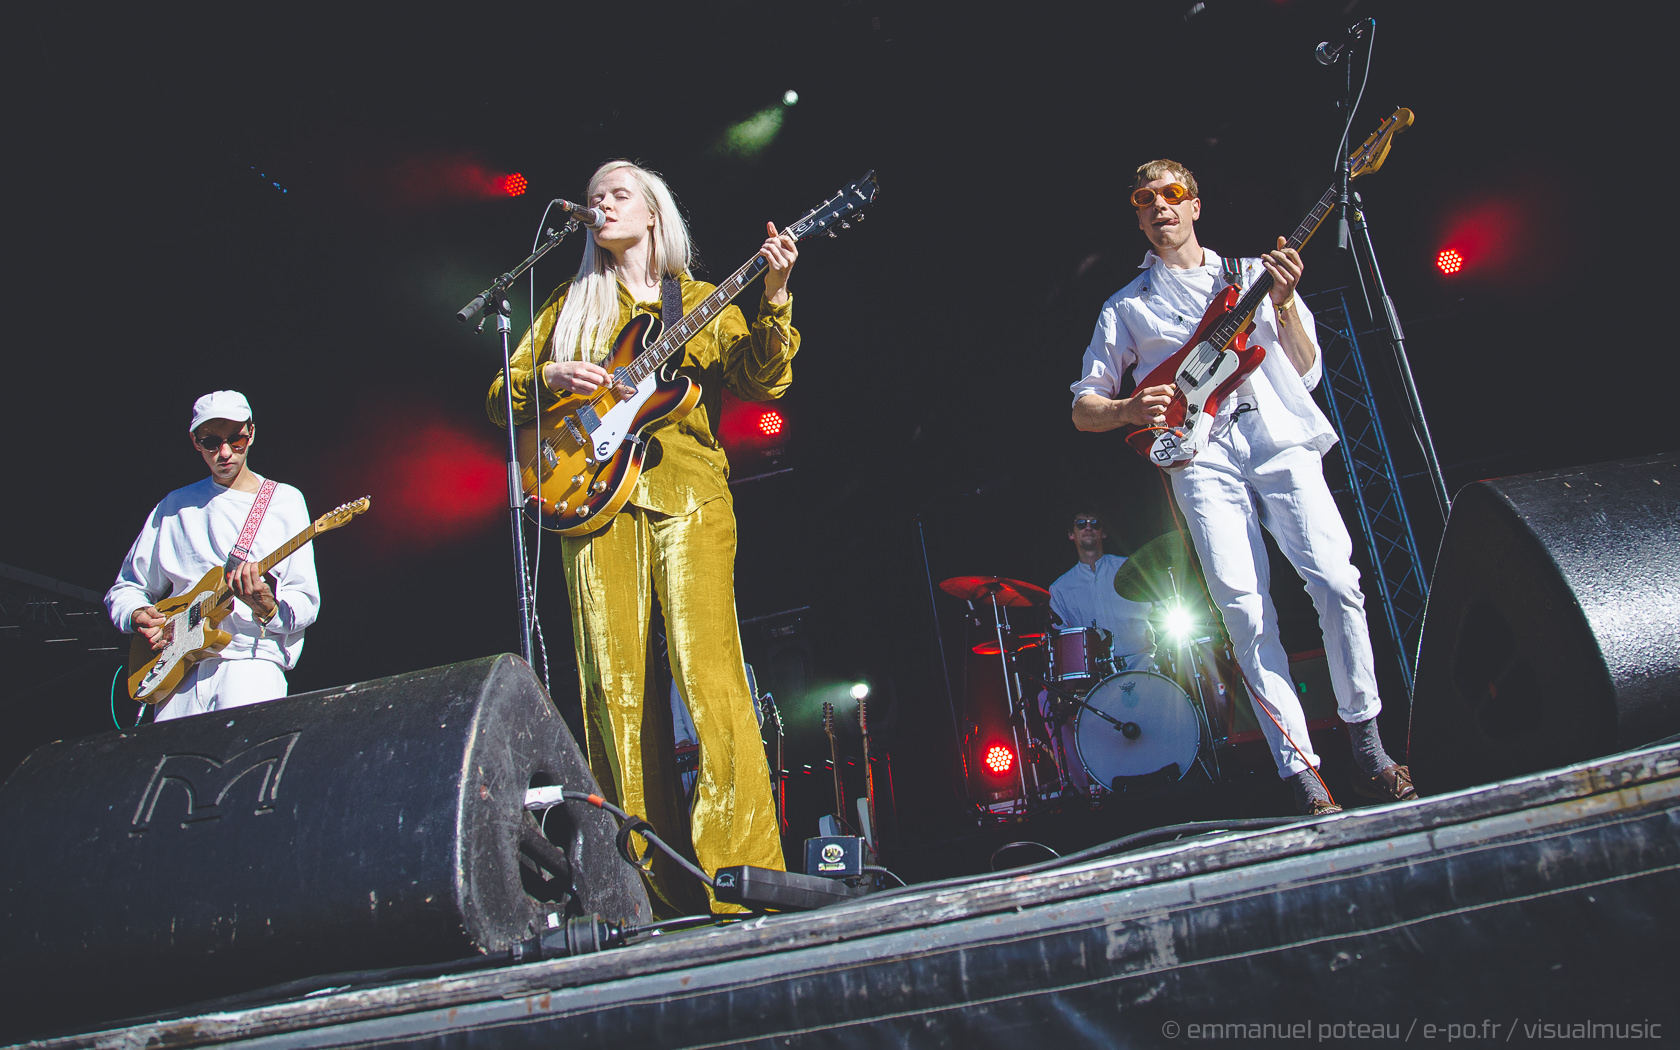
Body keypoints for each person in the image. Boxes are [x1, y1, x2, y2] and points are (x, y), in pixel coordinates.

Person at [486, 160, 796, 914]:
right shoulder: (568, 305)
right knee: (614, 691)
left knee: (710, 679)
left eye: (617, 194)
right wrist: (549, 378)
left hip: (689, 492)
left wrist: (775, 295)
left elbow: (763, 381)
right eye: (593, 197)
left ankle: (741, 879)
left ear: (653, 212)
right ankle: (640, 888)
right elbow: (499, 395)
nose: (601, 205)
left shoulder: (697, 297)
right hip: (589, 500)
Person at [1070, 159, 1416, 816]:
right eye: (1145, 199)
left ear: (1195, 205)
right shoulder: (1126, 307)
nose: (1159, 206)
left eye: (1172, 194)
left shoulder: (1257, 273)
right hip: (1200, 460)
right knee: (1246, 615)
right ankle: (1304, 776)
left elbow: (1308, 371)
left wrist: (1283, 303)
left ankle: (1368, 747)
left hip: (1277, 439)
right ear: (1138, 217)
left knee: (1337, 584)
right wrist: (1127, 408)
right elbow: (1084, 407)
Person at [106, 390, 320, 722]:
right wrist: (136, 614)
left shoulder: (285, 500)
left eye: (236, 440)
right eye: (211, 442)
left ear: (251, 433)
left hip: (251, 663)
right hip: (177, 671)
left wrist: (267, 607)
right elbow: (126, 588)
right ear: (195, 441)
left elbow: (305, 601)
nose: (225, 453)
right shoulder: (174, 506)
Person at [1048, 508, 1155, 672]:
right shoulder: (1060, 588)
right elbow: (1062, 641)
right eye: (1081, 524)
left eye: (1095, 523)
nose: (1088, 527)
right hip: (1097, 675)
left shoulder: (1130, 568)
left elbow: (1160, 608)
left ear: (1103, 533)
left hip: (1143, 663)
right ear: (1071, 534)